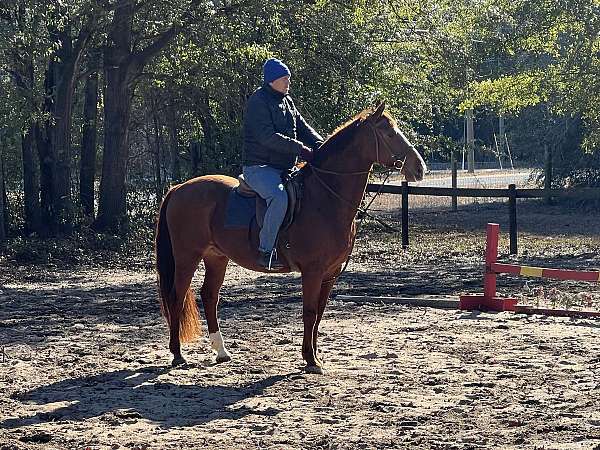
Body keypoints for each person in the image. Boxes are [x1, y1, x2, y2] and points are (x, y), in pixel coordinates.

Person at [242, 58, 324, 270]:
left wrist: (322, 145)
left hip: (285, 168)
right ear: (272, 80)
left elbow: (304, 127)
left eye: (289, 78)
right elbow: (267, 137)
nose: (289, 82)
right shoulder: (257, 102)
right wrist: (301, 149)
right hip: (259, 168)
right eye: (285, 78)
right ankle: (265, 251)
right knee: (278, 197)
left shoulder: (287, 101)